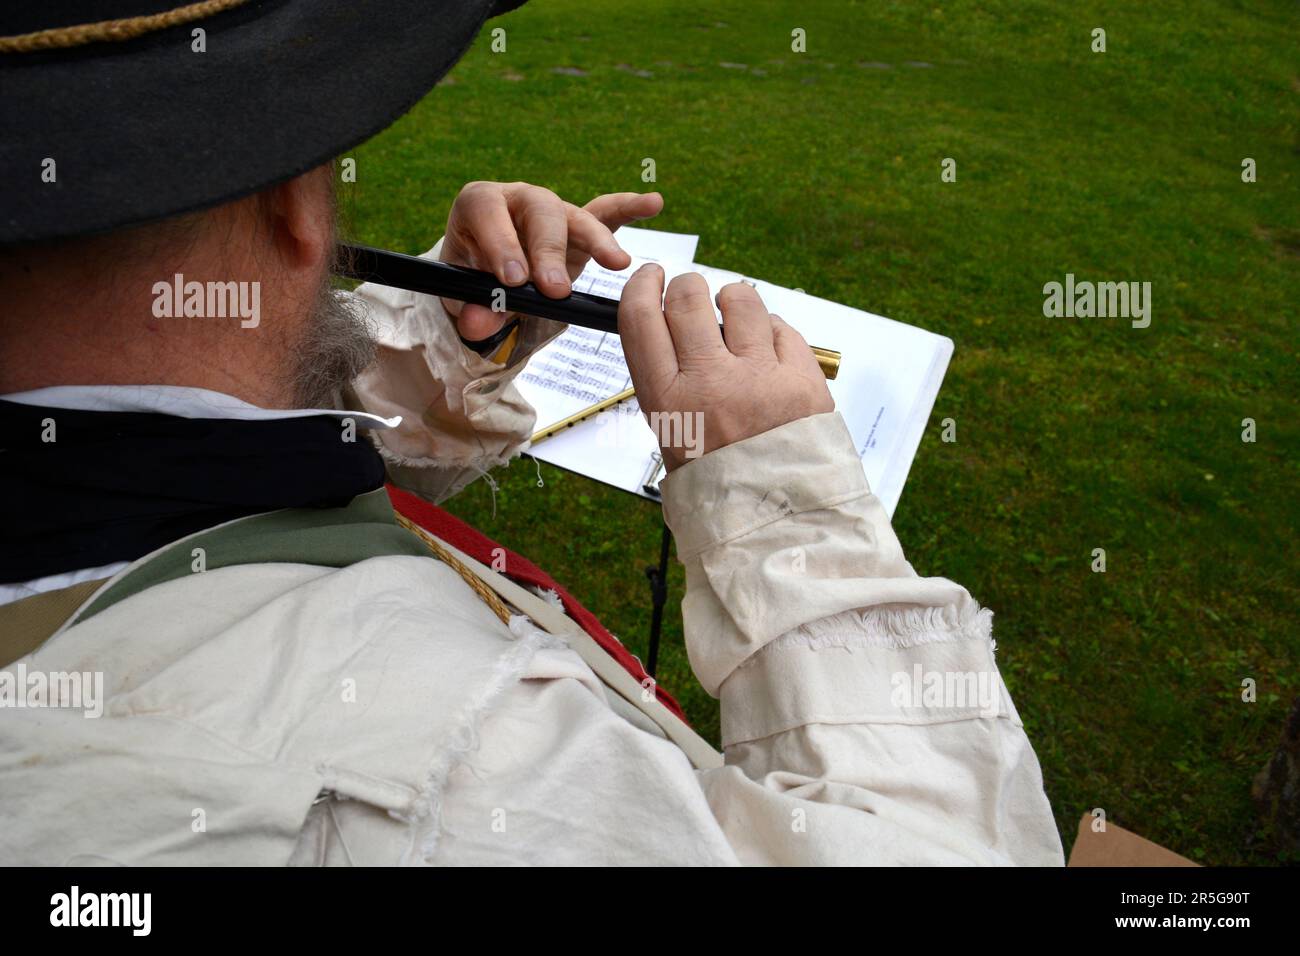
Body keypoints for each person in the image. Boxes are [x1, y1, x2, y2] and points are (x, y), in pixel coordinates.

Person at [0, 0, 1063, 865]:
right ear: (296, 204)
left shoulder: (87, 477)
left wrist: (444, 341)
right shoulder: (449, 780)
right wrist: (788, 508)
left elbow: (215, 466)